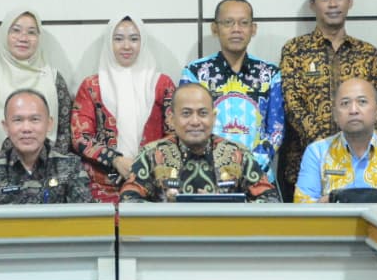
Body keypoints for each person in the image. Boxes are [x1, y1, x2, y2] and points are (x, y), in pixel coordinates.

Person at [279, 0, 377, 193]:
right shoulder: (295, 50)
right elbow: (292, 105)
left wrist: (350, 150)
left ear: (350, 2)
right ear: (313, 4)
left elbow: (373, 109)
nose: (333, 3)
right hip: (306, 164)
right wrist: (327, 149)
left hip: (360, 165)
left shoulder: (367, 53)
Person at [71, 15, 176, 203]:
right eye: (118, 39)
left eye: (134, 39)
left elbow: (174, 134)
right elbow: (80, 136)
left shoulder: (162, 84)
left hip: (153, 181)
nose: (126, 46)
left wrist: (145, 164)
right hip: (102, 184)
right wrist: (116, 160)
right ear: (109, 42)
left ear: (143, 42)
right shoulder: (91, 86)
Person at [180, 0, 284, 184]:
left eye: (243, 23)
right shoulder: (195, 73)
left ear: (253, 29)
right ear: (215, 28)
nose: (236, 29)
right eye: (228, 22)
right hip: (206, 176)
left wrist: (250, 167)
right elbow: (186, 125)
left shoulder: (270, 73)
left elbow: (276, 129)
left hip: (258, 177)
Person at [119, 83, 279, 203]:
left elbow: (270, 200)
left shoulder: (237, 154)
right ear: (171, 120)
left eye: (202, 113)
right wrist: (170, 210)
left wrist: (225, 209)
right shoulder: (152, 154)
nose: (195, 121)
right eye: (186, 113)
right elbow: (128, 200)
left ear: (213, 118)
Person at [0, 9, 72, 165]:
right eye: (16, 30)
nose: (23, 38)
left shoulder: (54, 79)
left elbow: (65, 131)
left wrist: (46, 164)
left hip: (48, 170)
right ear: (4, 34)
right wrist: (2, 161)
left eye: (31, 32)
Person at [294, 78, 377, 204]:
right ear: (335, 114)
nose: (353, 110)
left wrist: (346, 199)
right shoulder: (317, 153)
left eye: (362, 102)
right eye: (345, 103)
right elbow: (302, 205)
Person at [0, 89, 90, 205]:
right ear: (6, 126)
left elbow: (87, 215)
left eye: (34, 119)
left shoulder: (70, 166)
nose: (26, 128)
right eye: (18, 120)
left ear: (49, 124)